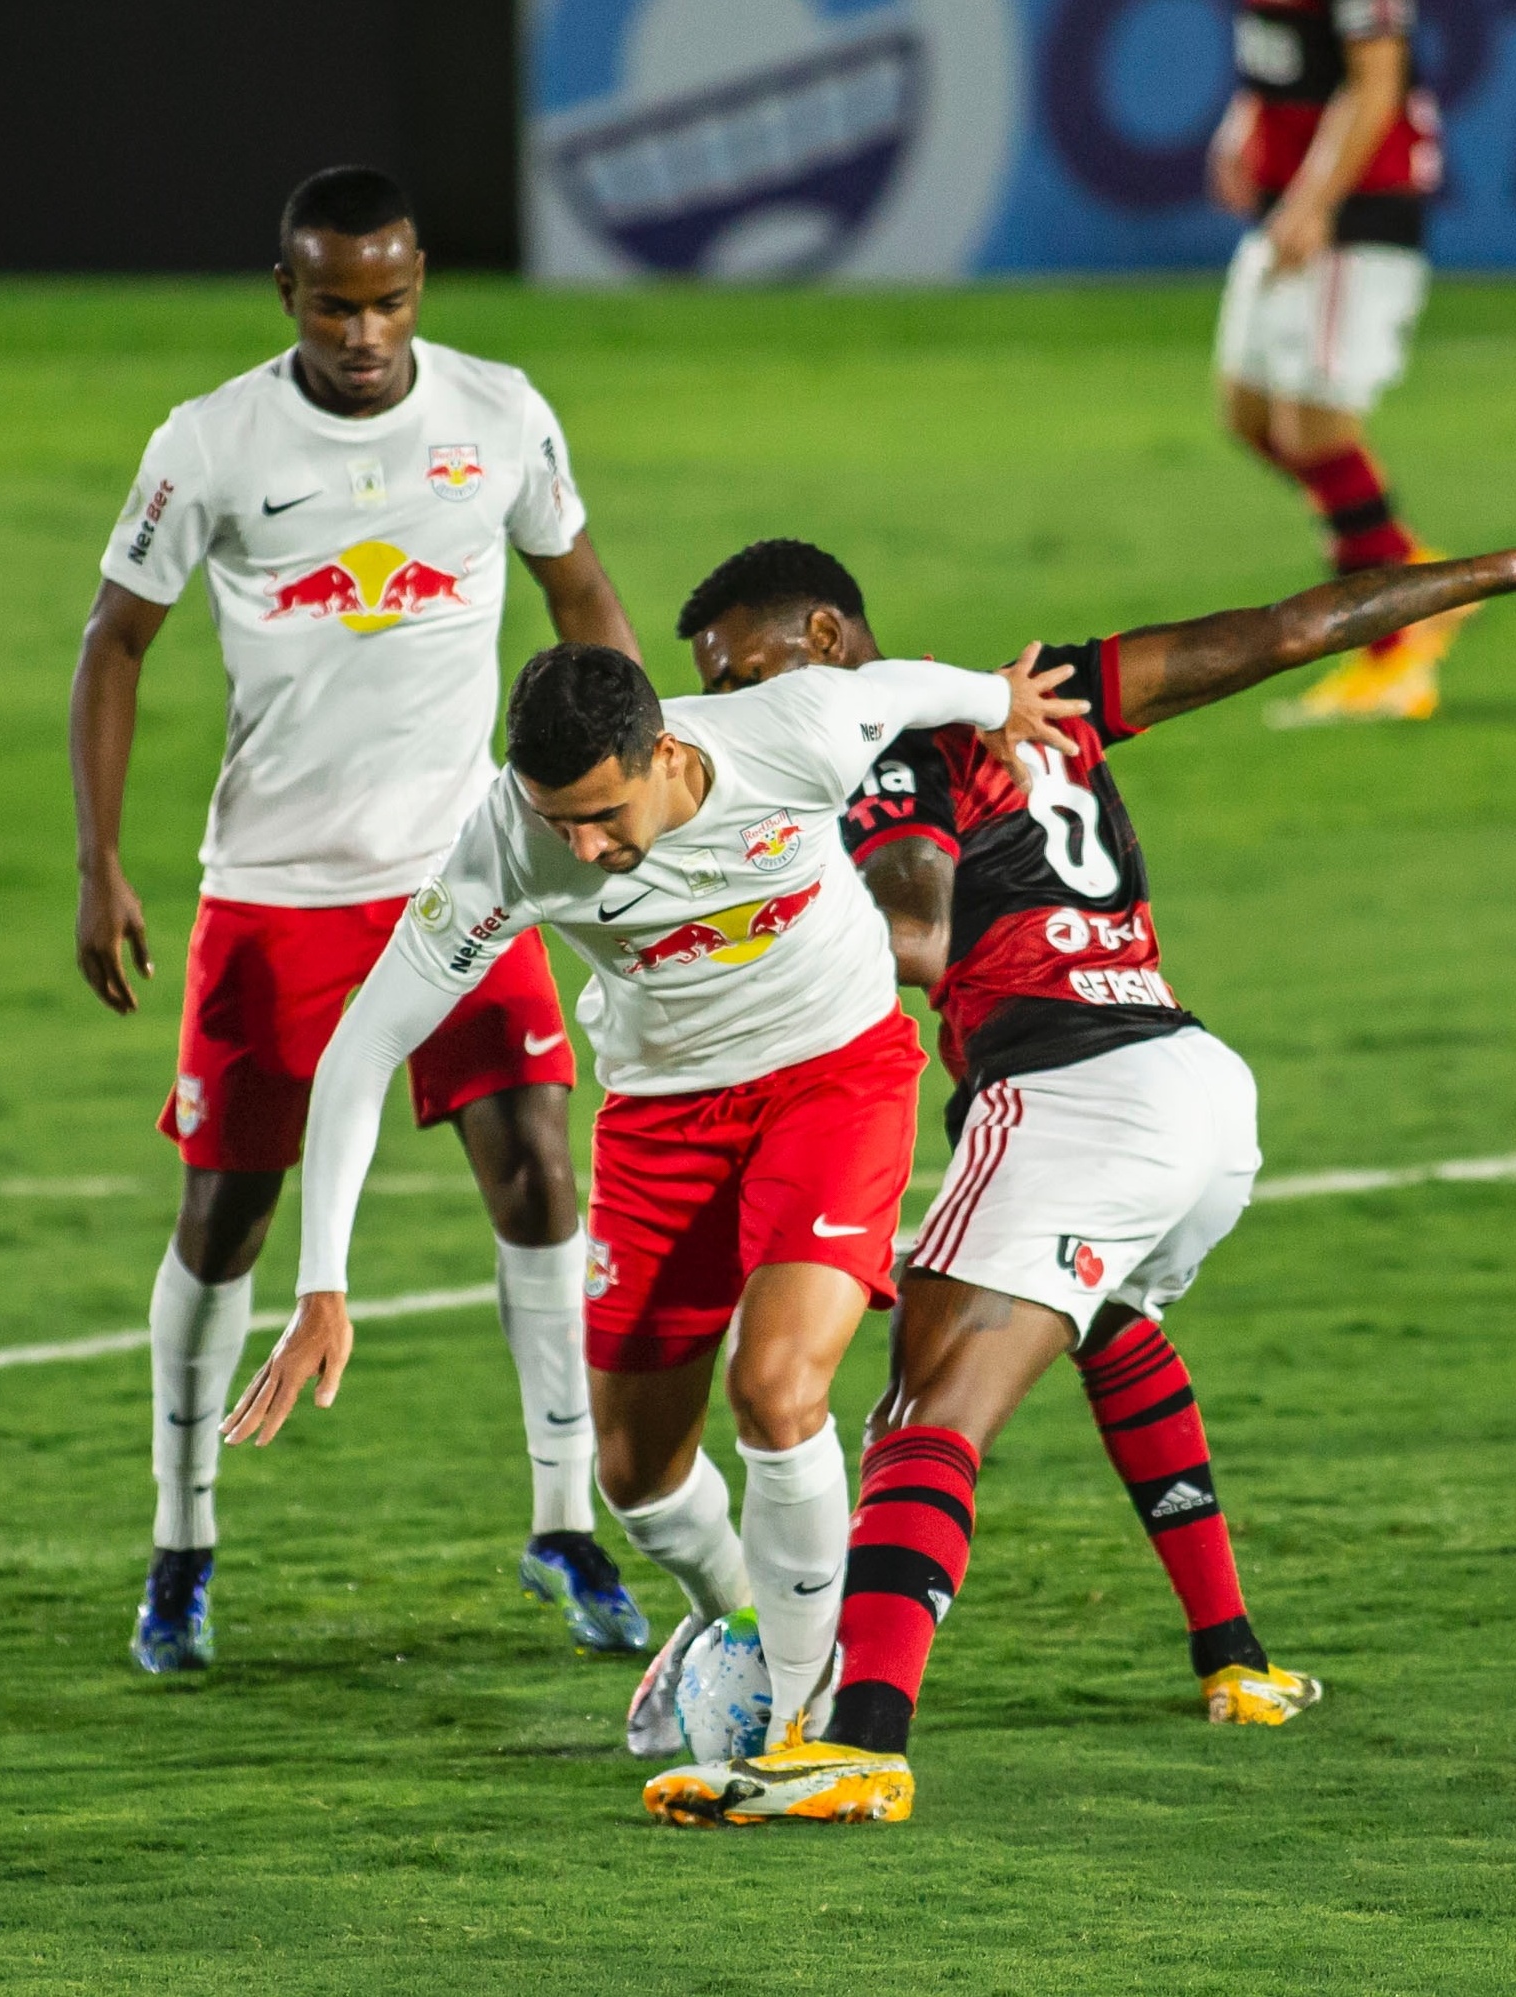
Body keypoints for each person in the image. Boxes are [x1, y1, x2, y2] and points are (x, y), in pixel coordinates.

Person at [643, 534, 1516, 1827]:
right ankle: (1236, 1660)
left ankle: (858, 1738)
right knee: (1110, 1318)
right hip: (1196, 1087)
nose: (743, 706)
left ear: (828, 639)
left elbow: (917, 934)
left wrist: (703, 912)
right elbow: (1292, 627)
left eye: (752, 671)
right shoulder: (1052, 689)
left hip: (1070, 1094)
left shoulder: (882, 753)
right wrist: (1491, 568)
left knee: (920, 1416)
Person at [222, 640, 1081, 1818]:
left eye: (600, 814)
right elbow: (366, 1044)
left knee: (777, 1387)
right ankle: (734, 1615)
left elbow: (905, 692)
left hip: (832, 1076)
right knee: (632, 1472)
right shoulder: (506, 840)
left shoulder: (795, 732)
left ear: (666, 752)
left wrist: (1002, 701)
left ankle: (800, 1720)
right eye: (553, 820)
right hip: (659, 1121)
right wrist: (322, 1282)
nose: (577, 846)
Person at [72, 165, 649, 1672]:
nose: (367, 330)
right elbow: (113, 643)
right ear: (288, 297)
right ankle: (181, 1544)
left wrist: (639, 796)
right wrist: (99, 861)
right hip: (273, 892)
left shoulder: (499, 412)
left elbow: (580, 591)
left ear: (417, 288)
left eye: (390, 297)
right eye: (335, 302)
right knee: (227, 1220)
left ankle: (561, 1521)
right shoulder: (209, 444)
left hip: (463, 866)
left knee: (537, 1166)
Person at [1211, 0, 1468, 722]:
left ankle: (1394, 655)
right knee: (1250, 414)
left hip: (1354, 215)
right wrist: (1242, 124)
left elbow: (1375, 83)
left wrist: (1315, 199)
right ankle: (1406, 566)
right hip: (1286, 200)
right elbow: (1280, 50)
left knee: (1315, 428)